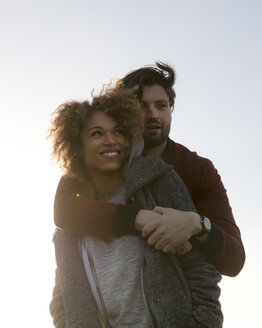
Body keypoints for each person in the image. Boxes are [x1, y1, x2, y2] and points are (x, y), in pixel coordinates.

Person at [48, 84, 222, 327]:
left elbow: (200, 267)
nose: (111, 141)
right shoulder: (72, 214)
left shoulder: (158, 181)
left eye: (118, 132)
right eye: (97, 133)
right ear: (78, 145)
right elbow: (62, 291)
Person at [54, 62, 245, 277]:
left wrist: (196, 225)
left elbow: (235, 259)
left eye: (161, 105)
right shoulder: (106, 156)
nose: (153, 114)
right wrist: (141, 219)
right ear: (124, 113)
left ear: (170, 110)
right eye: (142, 106)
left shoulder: (197, 169)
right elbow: (64, 210)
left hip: (177, 301)